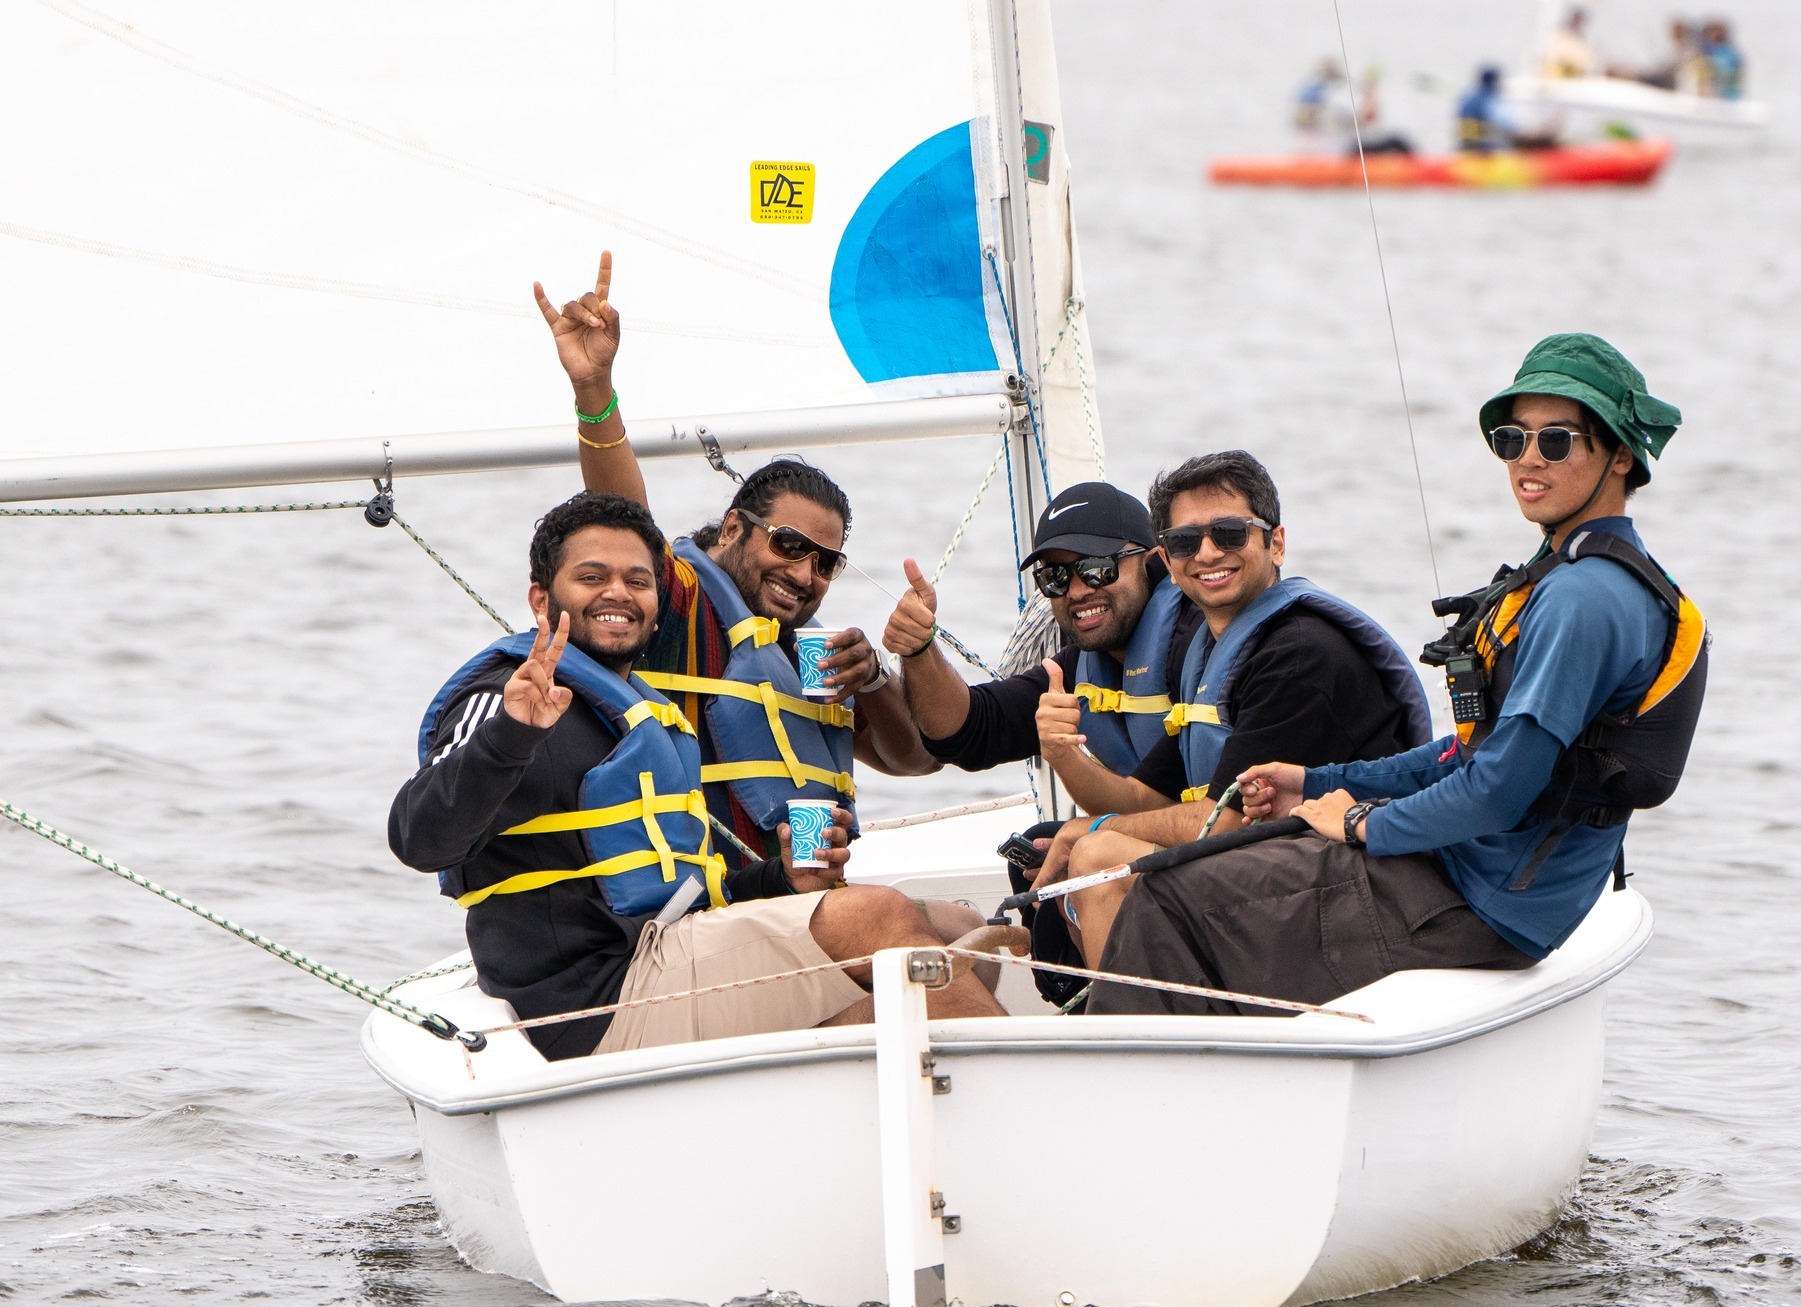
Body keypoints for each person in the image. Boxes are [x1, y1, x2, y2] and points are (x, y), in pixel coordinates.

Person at [1083, 334, 1706, 1016]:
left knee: (1162, 899)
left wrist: (1359, 825)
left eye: (1556, 441)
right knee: (1196, 873)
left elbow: (1498, 792)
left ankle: (1146, 1107)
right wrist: (1317, 784)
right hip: (1465, 871)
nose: (1528, 458)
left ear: (1619, 454)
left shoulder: (1583, 600)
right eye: (1511, 438)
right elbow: (1463, 755)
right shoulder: (1566, 575)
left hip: (1478, 901)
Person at [388, 492, 1004, 1060]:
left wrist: (782, 878)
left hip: (658, 960)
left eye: (637, 580)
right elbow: (419, 838)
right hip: (592, 1001)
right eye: (591, 577)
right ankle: (1029, 1112)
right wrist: (513, 732)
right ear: (541, 599)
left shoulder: (638, 706)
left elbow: (680, 894)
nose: (619, 594)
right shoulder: (508, 695)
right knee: (876, 918)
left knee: (961, 941)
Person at [534, 254, 937, 876]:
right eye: (788, 545)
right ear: (731, 528)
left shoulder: (802, 655)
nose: (804, 575)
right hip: (691, 902)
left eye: (826, 563)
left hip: (788, 894)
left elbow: (914, 762)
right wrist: (594, 393)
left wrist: (878, 680)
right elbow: (622, 517)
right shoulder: (676, 602)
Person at [1022, 450, 1434, 970]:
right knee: (1057, 846)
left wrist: (1097, 829)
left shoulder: (1302, 653)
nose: (1208, 553)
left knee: (1100, 860)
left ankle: (1128, 1039)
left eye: (1231, 533)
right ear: (1168, 561)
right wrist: (1063, 754)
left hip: (1358, 889)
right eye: (1186, 541)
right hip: (1283, 873)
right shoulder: (1213, 659)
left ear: (1276, 543)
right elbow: (1141, 798)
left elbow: (1224, 822)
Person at [883, 480, 1200, 1001]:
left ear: (1154, 561)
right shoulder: (1077, 669)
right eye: (1055, 577)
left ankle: (1140, 1025)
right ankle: (1083, 1009)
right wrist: (919, 651)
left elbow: (1181, 796)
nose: (1077, 591)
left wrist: (1069, 773)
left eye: (1097, 568)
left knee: (1081, 848)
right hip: (1157, 831)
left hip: (1227, 835)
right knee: (1033, 849)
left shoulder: (1198, 645)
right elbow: (966, 733)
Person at [1456, 66, 1558, 152]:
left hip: (1465, 147)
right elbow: (1513, 127)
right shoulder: (1493, 101)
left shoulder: (1467, 98)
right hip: (1488, 151)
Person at [1540, 7, 1598, 80]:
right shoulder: (1558, 36)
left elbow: (1587, 62)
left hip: (1574, 79)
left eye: (1579, 20)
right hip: (1554, 76)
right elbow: (1549, 54)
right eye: (1575, 19)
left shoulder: (1582, 42)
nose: (1576, 22)